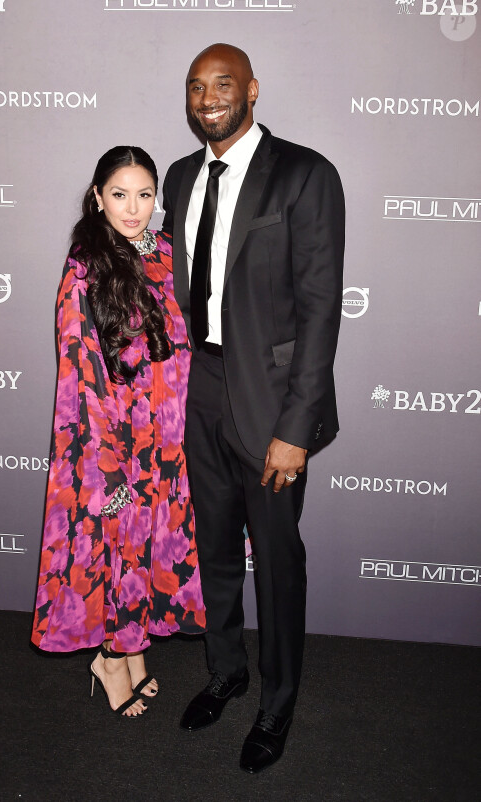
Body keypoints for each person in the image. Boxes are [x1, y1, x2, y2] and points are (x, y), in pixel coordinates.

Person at [162, 44, 345, 770]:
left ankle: (277, 704)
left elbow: (321, 309)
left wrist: (295, 429)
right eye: (197, 86)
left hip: (271, 406)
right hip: (199, 389)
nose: (209, 97)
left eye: (223, 84)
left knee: (276, 560)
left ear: (253, 90)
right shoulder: (178, 176)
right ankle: (225, 671)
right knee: (214, 551)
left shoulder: (303, 174)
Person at [32, 146, 205, 717]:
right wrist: (106, 464)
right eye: (120, 195)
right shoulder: (85, 266)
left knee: (150, 542)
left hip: (168, 437)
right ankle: (109, 658)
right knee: (119, 543)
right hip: (114, 440)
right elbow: (79, 375)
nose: (134, 209)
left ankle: (134, 650)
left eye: (145, 195)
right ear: (98, 197)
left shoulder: (167, 252)